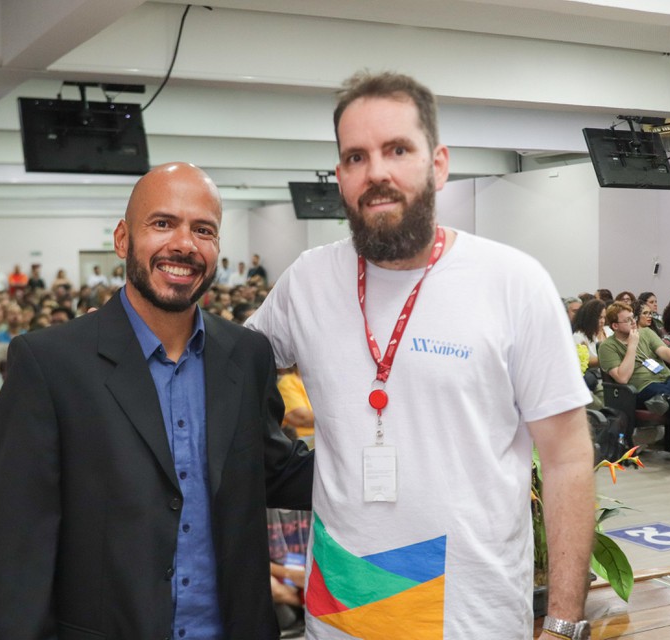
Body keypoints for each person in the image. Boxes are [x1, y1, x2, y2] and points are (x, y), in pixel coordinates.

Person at [247, 72, 594, 640]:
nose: (376, 172)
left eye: (397, 150)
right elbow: (229, 367)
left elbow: (567, 460)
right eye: (356, 156)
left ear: (438, 164)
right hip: (342, 615)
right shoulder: (307, 282)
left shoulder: (512, 282)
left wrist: (561, 623)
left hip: (473, 619)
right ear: (340, 177)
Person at [0, 162, 314, 640]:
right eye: (162, 223)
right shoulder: (49, 363)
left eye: (203, 230)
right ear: (122, 239)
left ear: (217, 248)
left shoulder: (246, 354)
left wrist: (388, 455)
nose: (184, 243)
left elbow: (272, 469)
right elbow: (17, 548)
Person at [597, 302, 670, 470]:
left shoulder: (646, 333)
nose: (633, 322)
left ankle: (665, 396)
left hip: (666, 381)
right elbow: (622, 377)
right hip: (640, 389)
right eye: (627, 320)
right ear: (615, 326)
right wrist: (632, 346)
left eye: (633, 318)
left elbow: (664, 352)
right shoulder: (608, 346)